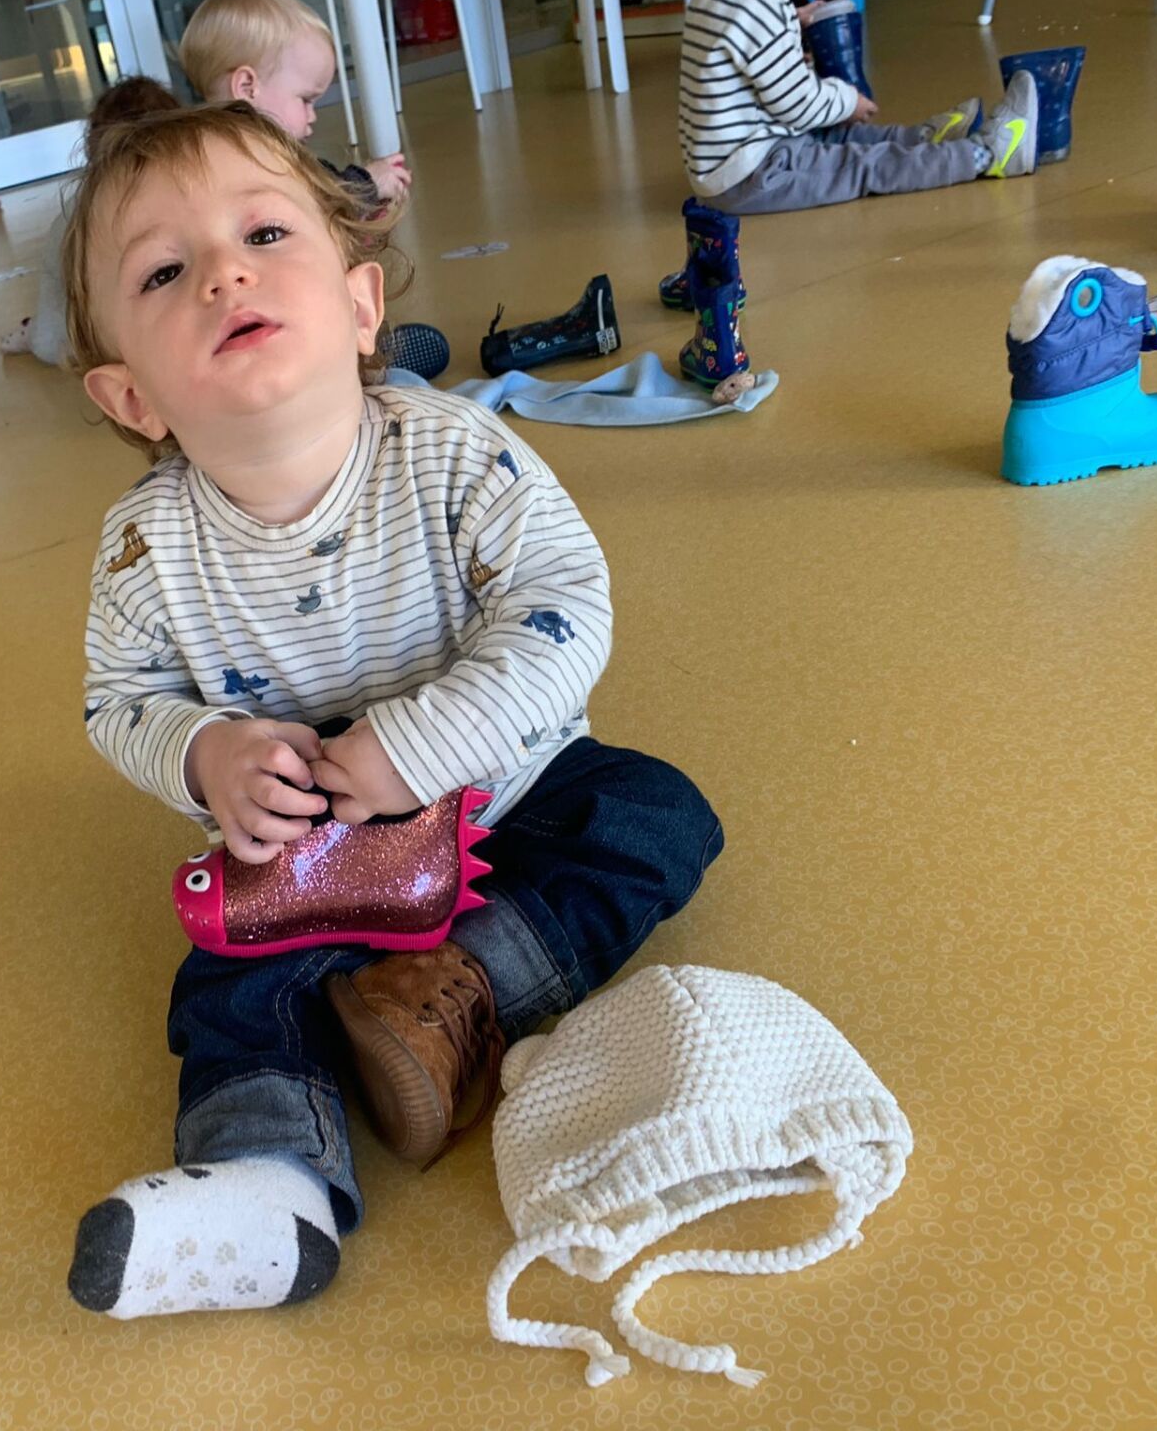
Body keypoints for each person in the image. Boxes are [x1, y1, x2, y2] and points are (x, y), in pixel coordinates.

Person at [58, 104, 723, 1321]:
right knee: (226, 985)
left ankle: (459, 996)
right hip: (307, 860)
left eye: (265, 233)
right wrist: (205, 756)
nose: (224, 274)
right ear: (132, 394)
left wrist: (424, 742)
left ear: (361, 304)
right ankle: (269, 1191)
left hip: (506, 800)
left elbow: (563, 602)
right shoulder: (145, 549)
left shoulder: (452, 451)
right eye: (163, 272)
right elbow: (121, 703)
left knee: (653, 814)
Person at [680, 0, 1042, 214]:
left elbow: (746, 49)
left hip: (748, 153)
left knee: (835, 138)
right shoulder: (759, 8)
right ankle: (988, 155)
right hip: (754, 175)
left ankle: (922, 137)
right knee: (863, 165)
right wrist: (847, 100)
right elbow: (797, 104)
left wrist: (790, 23)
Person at [0, 77, 183, 364]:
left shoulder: (186, 189)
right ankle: (33, 330)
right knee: (56, 345)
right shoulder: (79, 216)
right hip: (80, 310)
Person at [179, 0, 410, 206]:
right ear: (247, 87)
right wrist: (366, 185)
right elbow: (320, 204)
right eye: (306, 100)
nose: (312, 116)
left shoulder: (199, 157)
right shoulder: (259, 162)